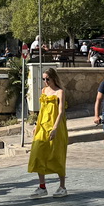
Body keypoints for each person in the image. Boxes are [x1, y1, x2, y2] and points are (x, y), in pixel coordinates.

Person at [28, 68, 68, 198]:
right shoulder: (44, 91)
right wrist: (36, 124)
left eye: (48, 79)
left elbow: (61, 111)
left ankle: (62, 186)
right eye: (44, 79)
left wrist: (55, 127)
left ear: (53, 78)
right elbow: (42, 110)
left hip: (56, 126)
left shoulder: (59, 92)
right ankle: (42, 186)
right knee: (38, 152)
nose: (45, 81)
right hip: (42, 125)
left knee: (57, 154)